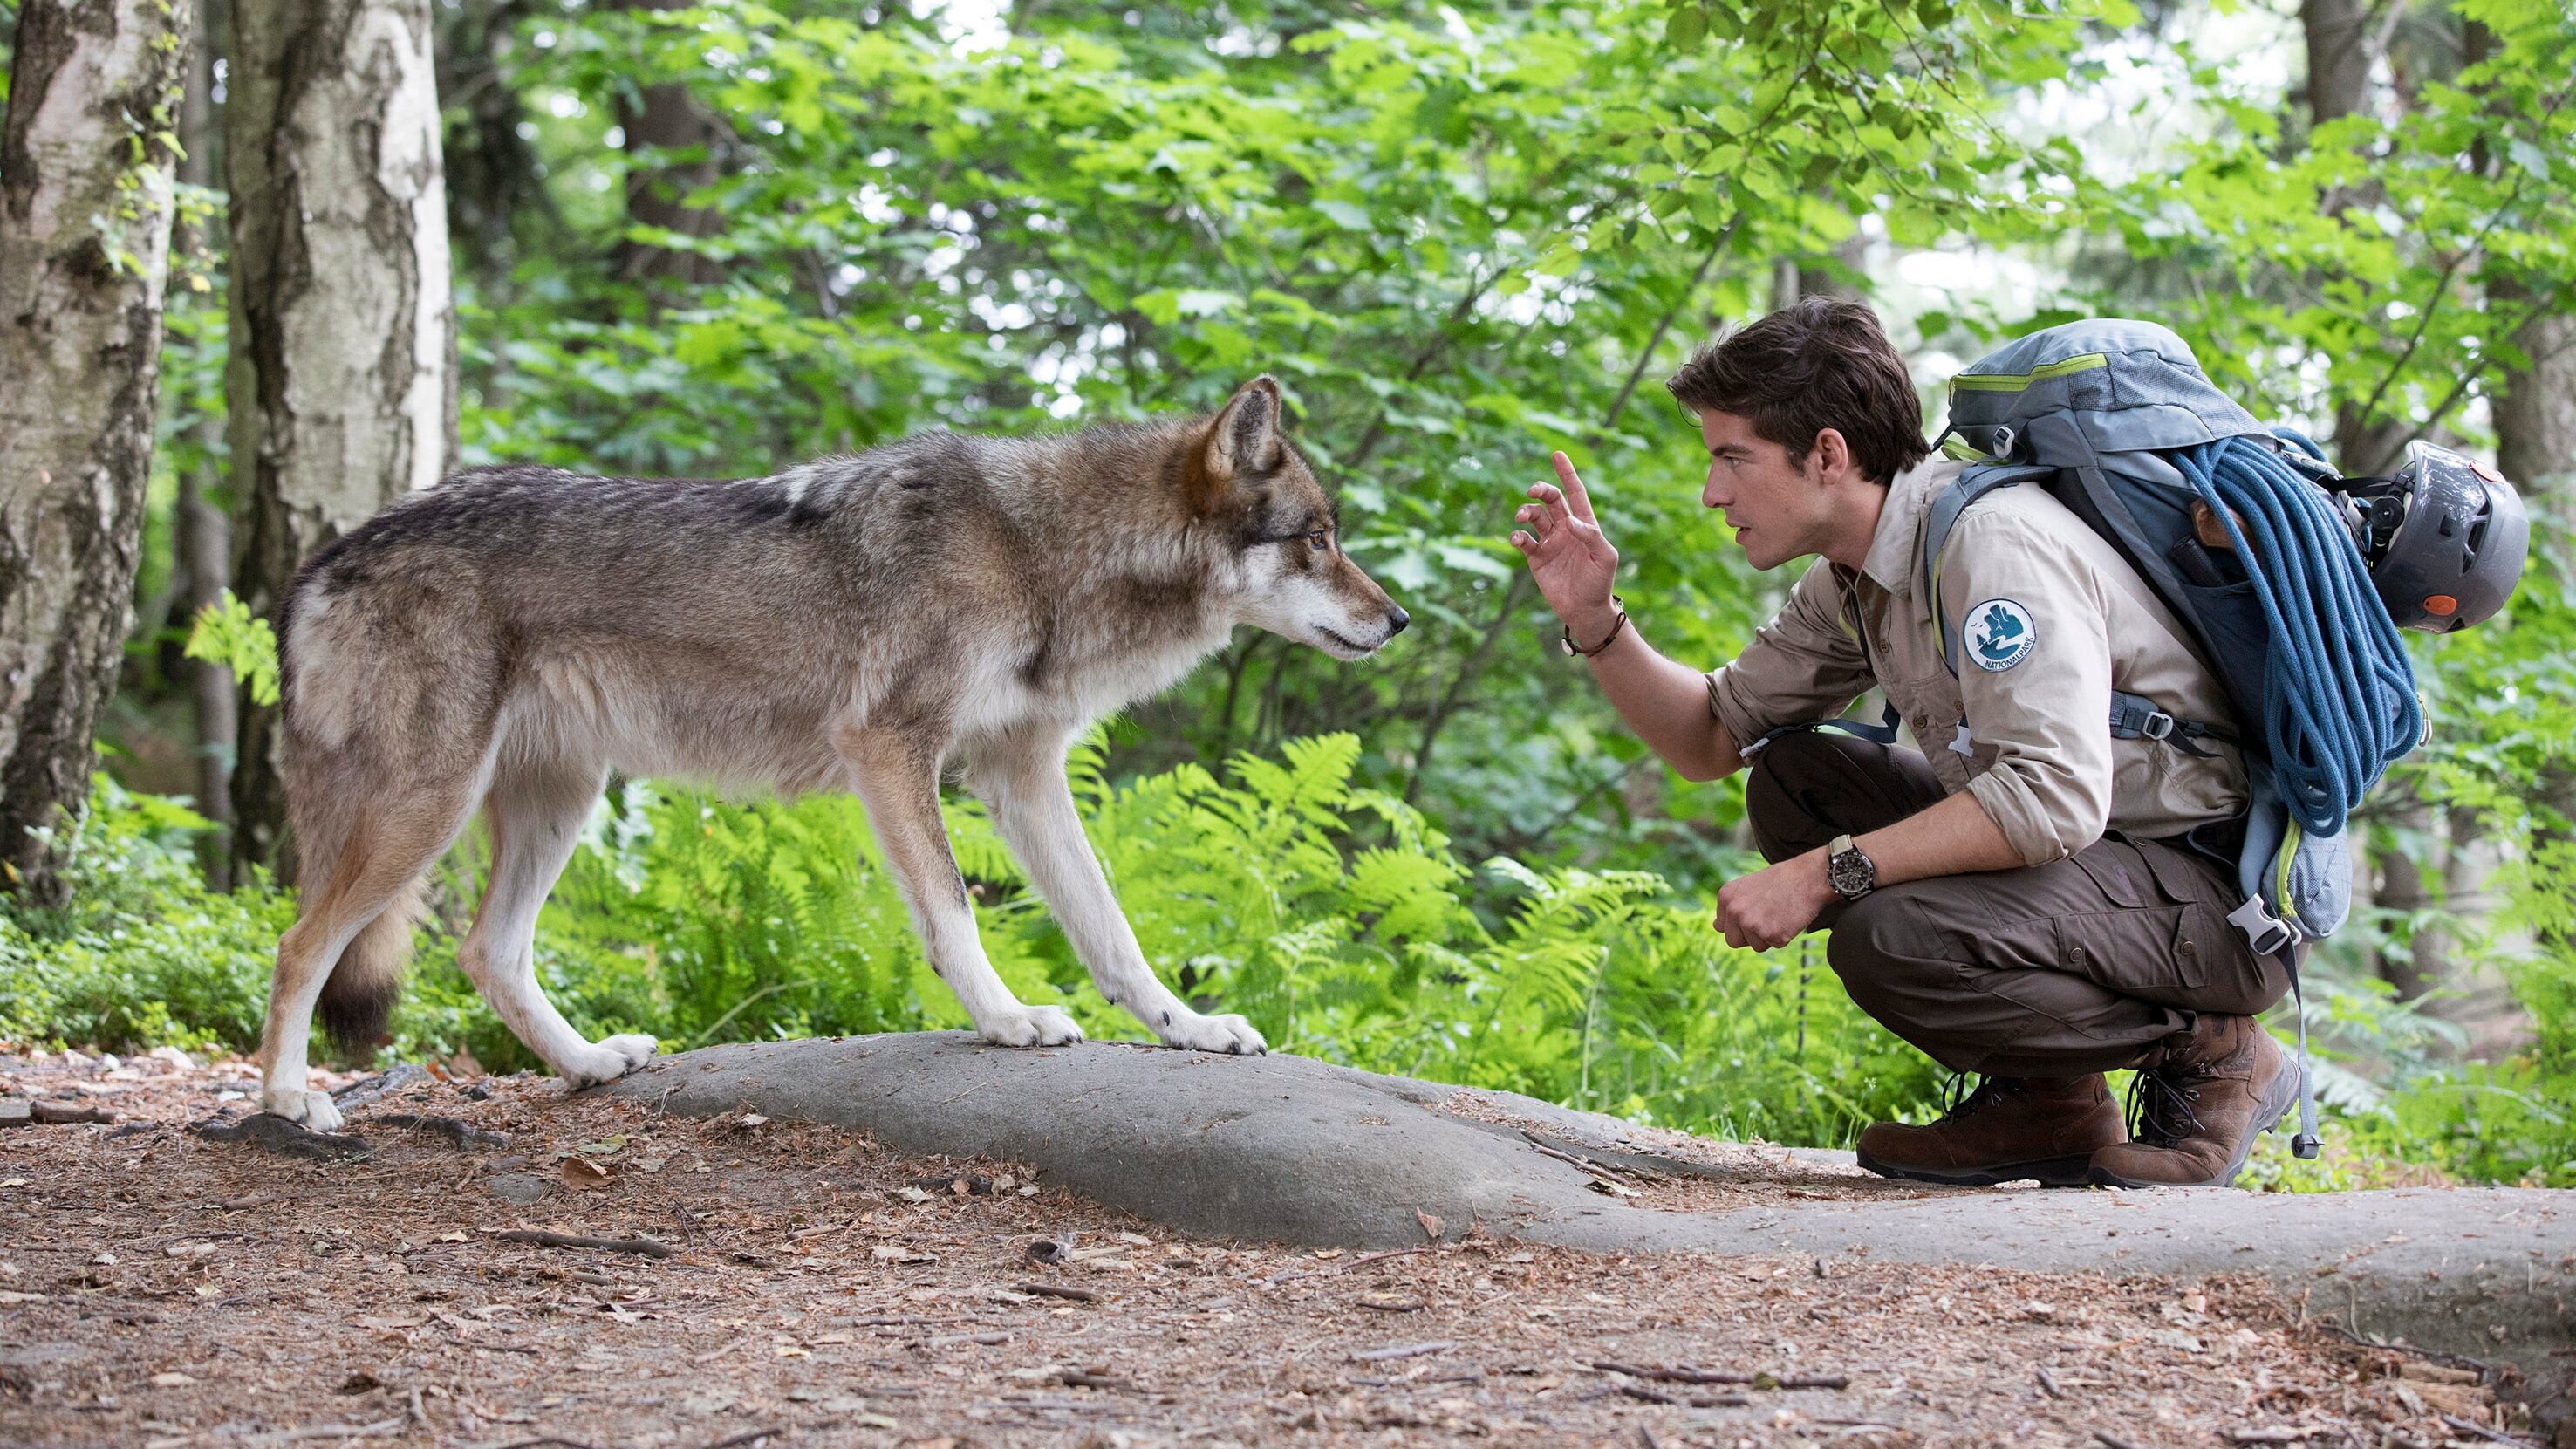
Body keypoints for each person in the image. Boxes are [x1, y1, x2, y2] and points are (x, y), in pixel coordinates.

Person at [1509, 298, 2298, 1189]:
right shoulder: (1856, 572)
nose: (1711, 490)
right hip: (2100, 874)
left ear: (1829, 454)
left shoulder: (1989, 545)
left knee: (1890, 935)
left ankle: (2221, 1050)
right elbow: (1708, 738)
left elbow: (2050, 796)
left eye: (1733, 458)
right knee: (1797, 780)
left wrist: (1820, 874)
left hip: (2210, 900)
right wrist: (1595, 621)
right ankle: (2048, 1102)